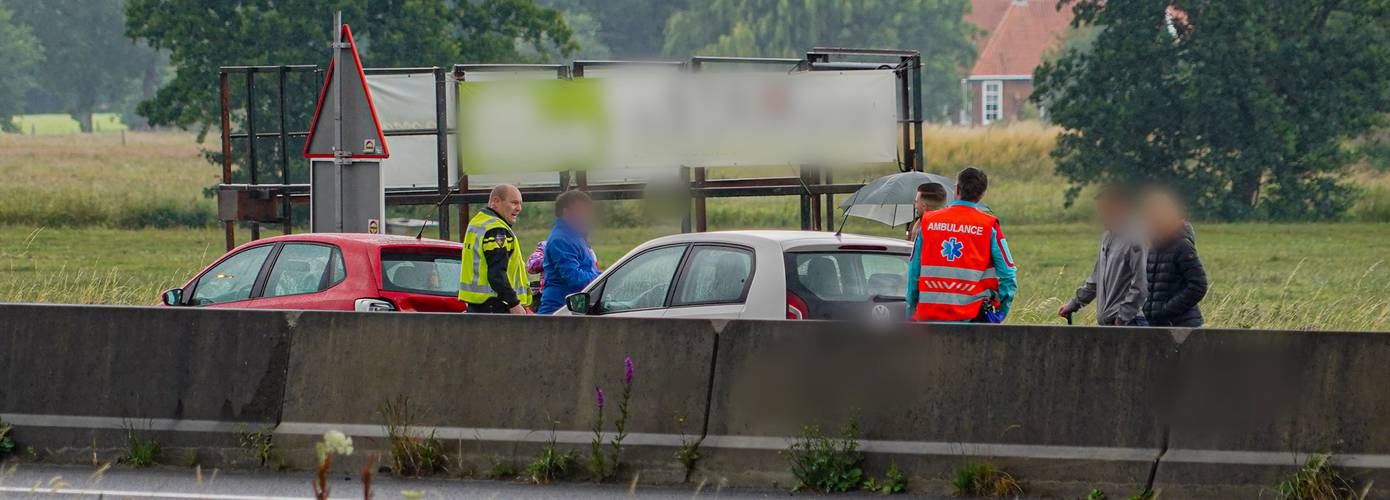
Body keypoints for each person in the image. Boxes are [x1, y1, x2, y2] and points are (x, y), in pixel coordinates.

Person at [906, 167, 1017, 322]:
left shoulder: (928, 222)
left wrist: (911, 312)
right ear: (982, 194)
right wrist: (1000, 313)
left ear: (957, 189)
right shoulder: (989, 226)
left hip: (929, 321)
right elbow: (1008, 274)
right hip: (972, 321)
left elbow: (913, 273)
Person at [1058, 185, 1149, 326]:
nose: (1100, 215)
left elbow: (1141, 283)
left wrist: (1123, 317)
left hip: (1132, 322)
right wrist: (1074, 304)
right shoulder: (1107, 237)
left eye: (1105, 209)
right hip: (1111, 324)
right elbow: (1095, 279)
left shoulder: (1136, 238)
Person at [458, 184, 531, 314]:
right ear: (496, 202)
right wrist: (514, 304)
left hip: (479, 306)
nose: (519, 208)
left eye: (520, 204)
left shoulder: (479, 222)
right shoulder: (497, 230)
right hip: (496, 307)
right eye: (514, 203)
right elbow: (496, 274)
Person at [1142, 189, 1208, 327]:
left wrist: (1166, 310)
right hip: (1158, 326)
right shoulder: (1154, 247)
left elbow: (1198, 285)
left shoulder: (1182, 245)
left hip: (1182, 327)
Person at [538, 189, 602, 314]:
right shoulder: (561, 240)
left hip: (571, 308)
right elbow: (575, 278)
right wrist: (603, 278)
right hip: (558, 311)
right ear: (567, 212)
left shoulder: (574, 235)